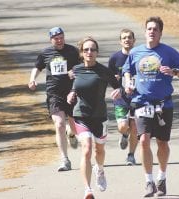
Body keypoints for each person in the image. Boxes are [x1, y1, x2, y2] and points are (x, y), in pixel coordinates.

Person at [122, 16, 179, 197]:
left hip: (163, 104)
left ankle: (162, 177)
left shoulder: (168, 52)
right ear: (145, 32)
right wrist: (128, 82)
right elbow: (126, 70)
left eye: (155, 29)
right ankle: (149, 181)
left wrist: (174, 71)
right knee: (144, 140)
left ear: (160, 33)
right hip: (141, 102)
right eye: (149, 29)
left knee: (162, 143)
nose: (152, 32)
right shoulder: (135, 52)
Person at [67, 36, 121, 199]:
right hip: (81, 115)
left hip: (99, 116)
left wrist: (119, 91)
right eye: (86, 50)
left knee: (100, 150)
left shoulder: (104, 71)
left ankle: (100, 170)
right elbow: (73, 87)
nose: (89, 52)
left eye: (92, 49)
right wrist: (71, 93)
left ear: (97, 52)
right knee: (87, 149)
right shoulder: (75, 70)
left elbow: (119, 87)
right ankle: (87, 189)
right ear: (81, 53)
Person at [28, 27, 80, 172]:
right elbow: (37, 67)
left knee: (75, 126)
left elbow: (83, 66)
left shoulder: (73, 51)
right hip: (54, 93)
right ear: (51, 40)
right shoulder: (46, 53)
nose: (59, 40)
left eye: (61, 37)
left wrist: (74, 71)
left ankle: (72, 133)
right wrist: (32, 80)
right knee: (59, 125)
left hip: (72, 92)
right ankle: (65, 159)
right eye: (56, 38)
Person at [108, 28, 138, 165]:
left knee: (135, 126)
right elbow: (109, 78)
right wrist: (115, 82)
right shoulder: (115, 58)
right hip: (121, 98)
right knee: (122, 126)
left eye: (129, 37)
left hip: (138, 98)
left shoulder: (140, 56)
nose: (127, 40)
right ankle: (124, 134)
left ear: (134, 40)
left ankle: (131, 155)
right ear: (120, 41)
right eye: (124, 38)